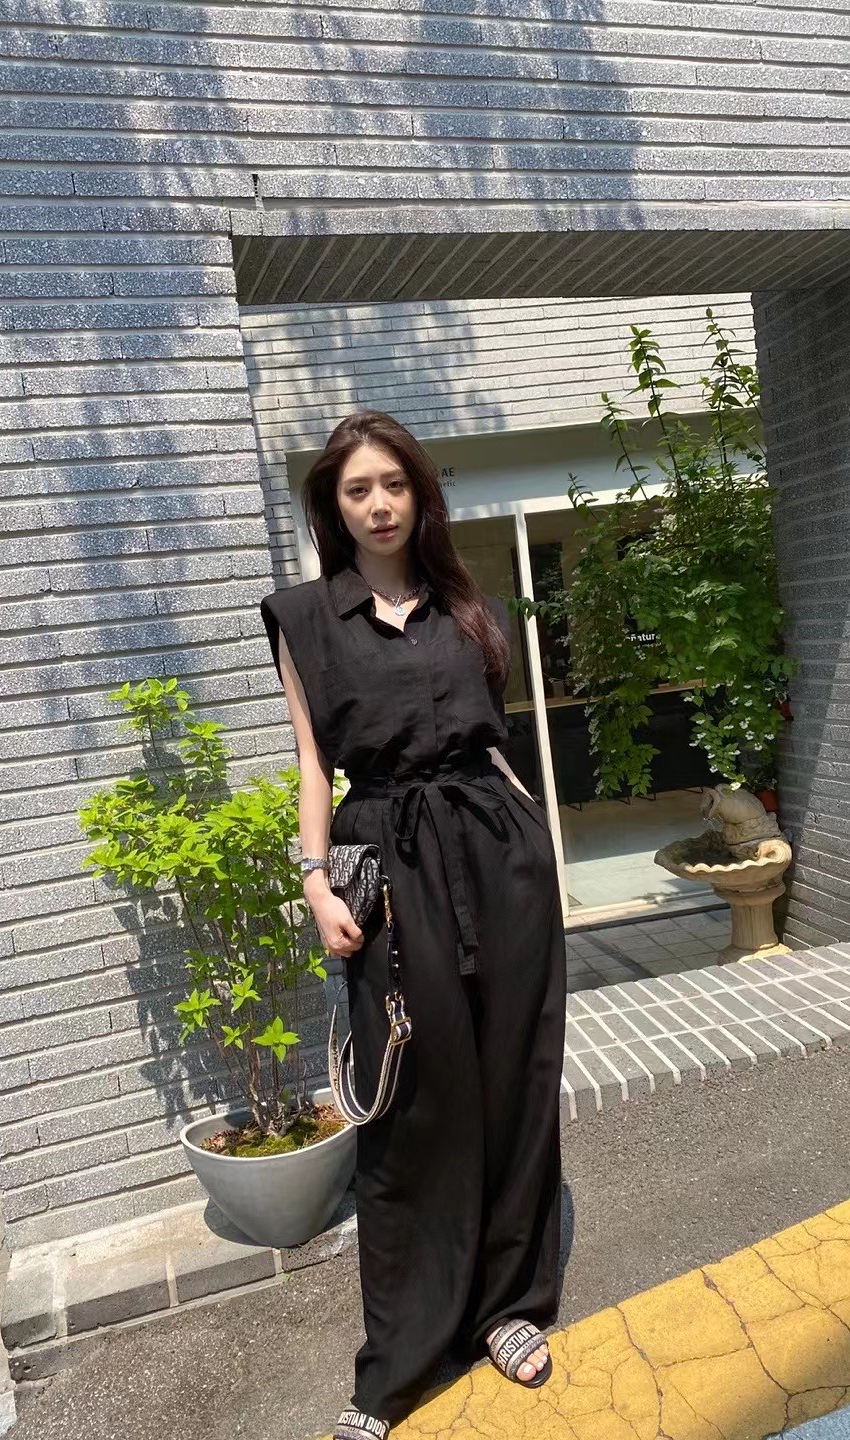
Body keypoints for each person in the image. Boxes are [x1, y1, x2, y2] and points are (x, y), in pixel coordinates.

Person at [259, 410, 567, 1440]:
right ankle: (396, 1363)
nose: (380, 504)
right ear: (333, 505)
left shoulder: (466, 605)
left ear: (419, 495)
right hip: (391, 865)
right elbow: (314, 764)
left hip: (499, 857)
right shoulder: (304, 619)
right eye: (358, 489)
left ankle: (507, 1307)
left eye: (394, 484)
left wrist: (538, 852)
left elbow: (496, 748)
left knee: (515, 1081)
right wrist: (316, 884)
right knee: (411, 1109)